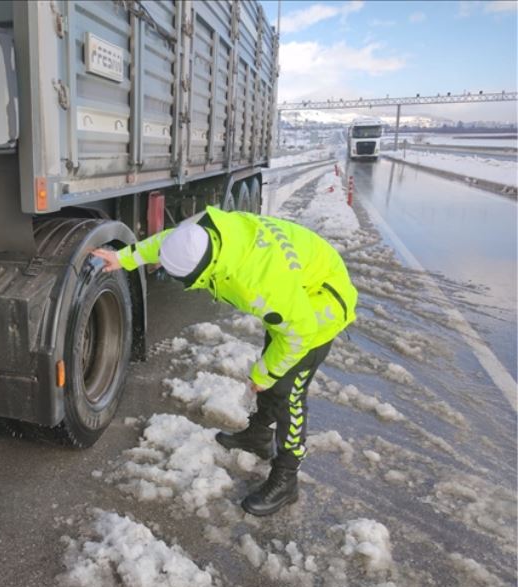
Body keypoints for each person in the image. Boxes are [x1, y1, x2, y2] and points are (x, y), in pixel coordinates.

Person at [91, 205, 358, 516]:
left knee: (289, 392)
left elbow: (299, 332)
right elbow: (170, 243)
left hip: (320, 306)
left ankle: (287, 479)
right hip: (300, 288)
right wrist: (125, 257)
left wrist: (264, 373)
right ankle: (258, 435)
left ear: (202, 274)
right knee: (274, 371)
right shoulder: (210, 233)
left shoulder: (258, 282)